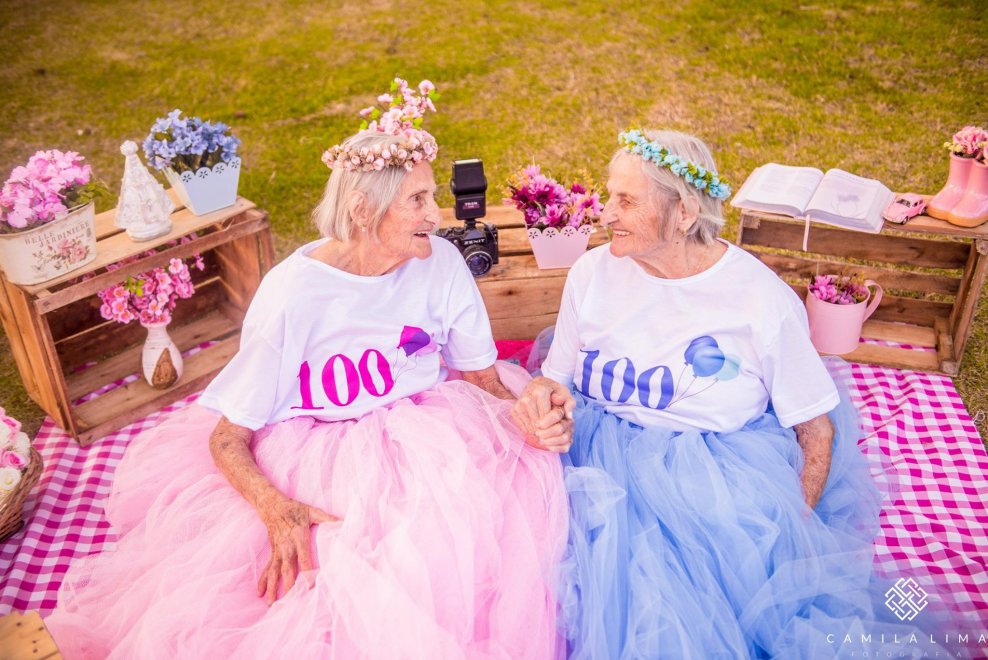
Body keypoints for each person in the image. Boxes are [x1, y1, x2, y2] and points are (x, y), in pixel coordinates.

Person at [46, 80, 569, 659]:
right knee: (322, 595)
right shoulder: (293, 295)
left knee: (471, 546)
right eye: (417, 200)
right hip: (319, 453)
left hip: (429, 434)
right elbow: (227, 436)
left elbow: (482, 376)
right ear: (364, 210)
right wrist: (276, 507)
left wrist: (521, 411)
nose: (436, 215)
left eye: (432, 197)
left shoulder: (441, 263)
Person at [512, 129, 960, 658]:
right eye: (610, 195)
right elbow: (554, 378)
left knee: (678, 607)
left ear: (682, 213)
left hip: (704, 479)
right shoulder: (593, 272)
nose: (605, 213)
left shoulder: (757, 299)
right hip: (590, 461)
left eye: (626, 201)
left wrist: (789, 533)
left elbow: (816, 427)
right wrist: (544, 406)